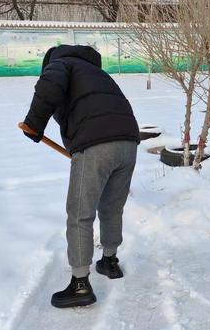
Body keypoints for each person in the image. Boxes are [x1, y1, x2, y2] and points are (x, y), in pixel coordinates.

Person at [22, 45, 140, 308]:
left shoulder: (62, 64)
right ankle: (109, 261)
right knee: (111, 208)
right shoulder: (98, 74)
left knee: (80, 214)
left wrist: (34, 124)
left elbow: (49, 87)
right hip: (129, 143)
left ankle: (79, 285)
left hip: (95, 144)